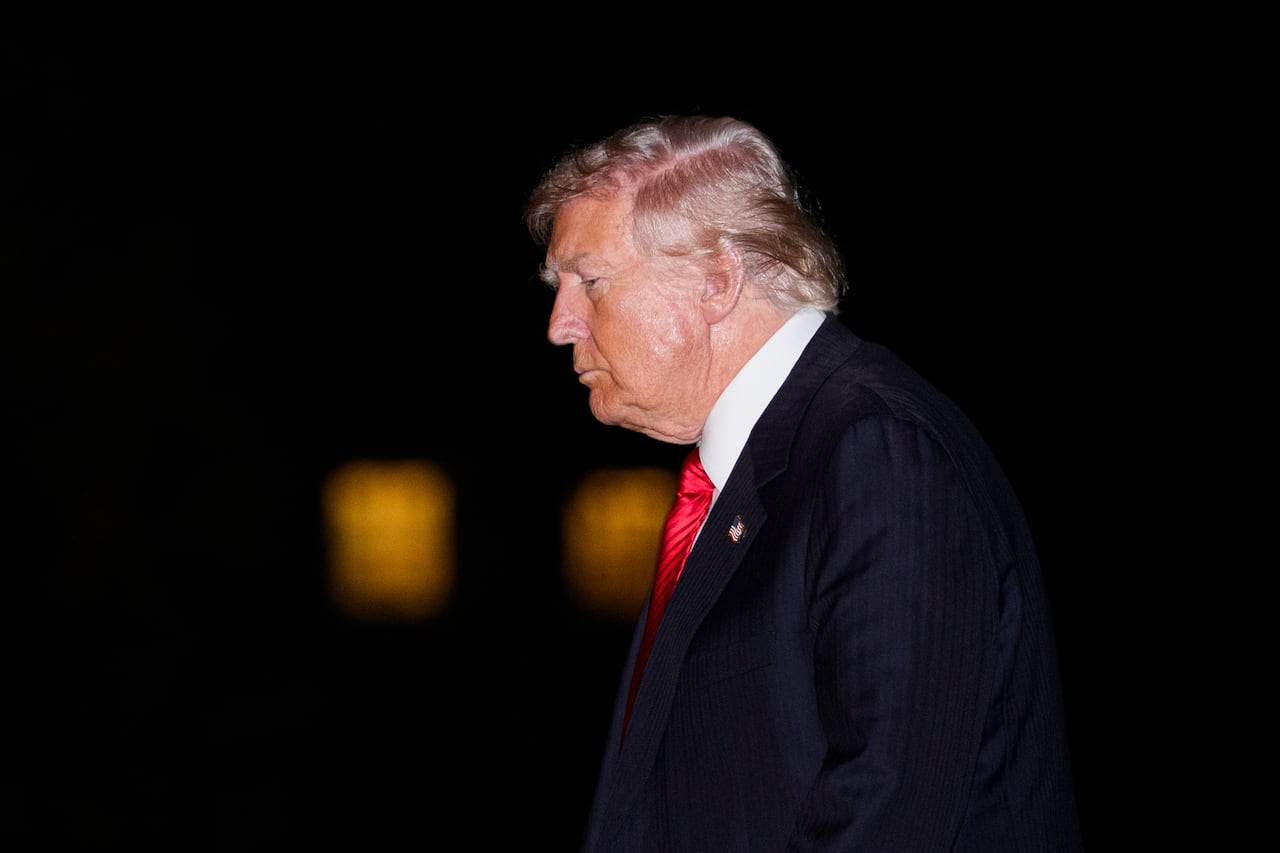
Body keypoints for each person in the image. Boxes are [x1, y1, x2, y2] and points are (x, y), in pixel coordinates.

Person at [524, 114, 1083, 852]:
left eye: (589, 281)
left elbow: (884, 813)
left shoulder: (877, 449)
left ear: (718, 279)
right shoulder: (758, 471)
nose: (561, 323)